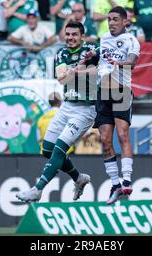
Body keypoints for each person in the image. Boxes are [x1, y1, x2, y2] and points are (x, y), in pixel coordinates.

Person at [16, 21, 97, 203]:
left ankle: (38, 189)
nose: (70, 38)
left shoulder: (92, 49)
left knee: (60, 148)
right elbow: (61, 79)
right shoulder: (61, 53)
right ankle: (78, 178)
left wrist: (77, 71)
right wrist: (73, 72)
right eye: (67, 34)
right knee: (47, 150)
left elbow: (96, 71)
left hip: (85, 109)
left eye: (74, 34)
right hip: (67, 106)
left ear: (82, 36)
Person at [93, 6, 140, 204]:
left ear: (124, 22)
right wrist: (91, 58)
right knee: (104, 140)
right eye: (109, 19)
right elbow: (100, 61)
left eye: (114, 19)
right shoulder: (103, 39)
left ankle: (127, 179)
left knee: (122, 135)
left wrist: (118, 63)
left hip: (121, 90)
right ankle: (115, 184)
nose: (111, 23)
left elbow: (132, 63)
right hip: (102, 92)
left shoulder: (132, 41)